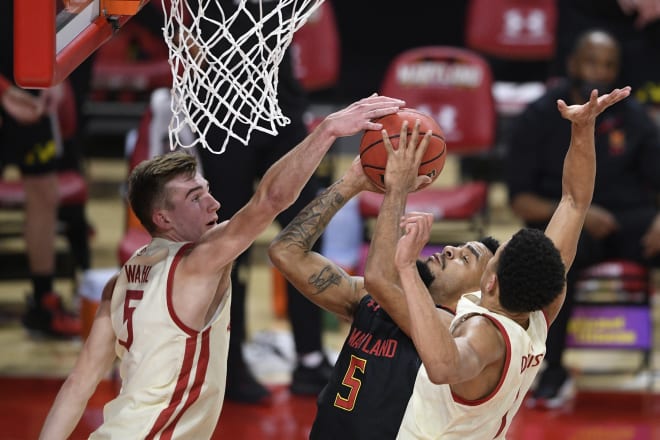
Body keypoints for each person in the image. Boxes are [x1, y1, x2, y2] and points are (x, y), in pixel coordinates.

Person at [38, 94, 406, 439]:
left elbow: (78, 385)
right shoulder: (197, 263)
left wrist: (350, 182)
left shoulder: (119, 283)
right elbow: (270, 199)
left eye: (207, 190)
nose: (214, 204)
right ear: (162, 217)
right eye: (195, 198)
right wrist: (327, 130)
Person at [389, 86, 631, 438]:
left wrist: (408, 269)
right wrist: (582, 130)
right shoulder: (539, 312)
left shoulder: (484, 334)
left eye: (495, 254)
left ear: (491, 282)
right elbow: (574, 202)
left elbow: (443, 366)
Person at [269, 118, 499, 438]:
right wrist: (351, 182)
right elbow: (285, 252)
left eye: (465, 258)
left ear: (481, 290)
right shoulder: (370, 300)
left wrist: (397, 189)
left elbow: (380, 279)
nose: (449, 250)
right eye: (456, 247)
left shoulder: (452, 330)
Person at [506, 29, 660, 409]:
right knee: (552, 261)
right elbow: (520, 200)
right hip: (569, 219)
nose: (600, 72)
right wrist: (582, 216)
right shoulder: (539, 116)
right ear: (573, 64)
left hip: (630, 222)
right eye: (592, 61)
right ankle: (552, 371)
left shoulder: (633, 116)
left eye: (609, 65)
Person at [195, 0, 336, 402]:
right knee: (228, 241)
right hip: (222, 103)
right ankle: (231, 360)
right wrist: (181, 34)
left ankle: (309, 359)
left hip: (280, 100)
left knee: (306, 231)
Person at [0, 2, 81, 338]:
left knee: (44, 192)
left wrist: (54, 71)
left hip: (27, 77)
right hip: (6, 87)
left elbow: (55, 11)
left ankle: (42, 302)